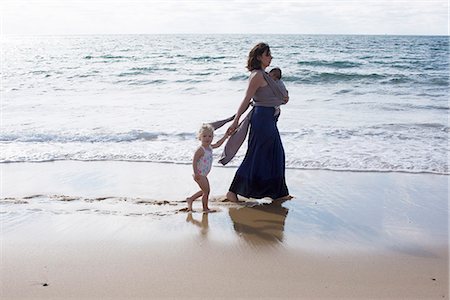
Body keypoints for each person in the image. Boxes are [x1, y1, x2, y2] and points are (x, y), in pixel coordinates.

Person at [225, 42, 290, 202]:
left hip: (269, 119)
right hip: (261, 120)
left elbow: (272, 96)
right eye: (268, 54)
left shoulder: (265, 74)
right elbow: (247, 99)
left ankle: (279, 193)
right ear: (260, 57)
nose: (271, 57)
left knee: (276, 154)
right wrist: (236, 121)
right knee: (256, 155)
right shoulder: (257, 75)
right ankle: (232, 191)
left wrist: (283, 98)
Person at [187, 124, 229, 212]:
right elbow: (194, 161)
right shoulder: (201, 149)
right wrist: (196, 173)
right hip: (199, 174)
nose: (207, 138)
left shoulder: (209, 147)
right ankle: (205, 208)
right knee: (206, 191)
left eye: (210, 136)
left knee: (204, 191)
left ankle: (191, 199)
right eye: (204, 136)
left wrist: (225, 136)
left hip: (203, 174)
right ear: (200, 137)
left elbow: (218, 144)